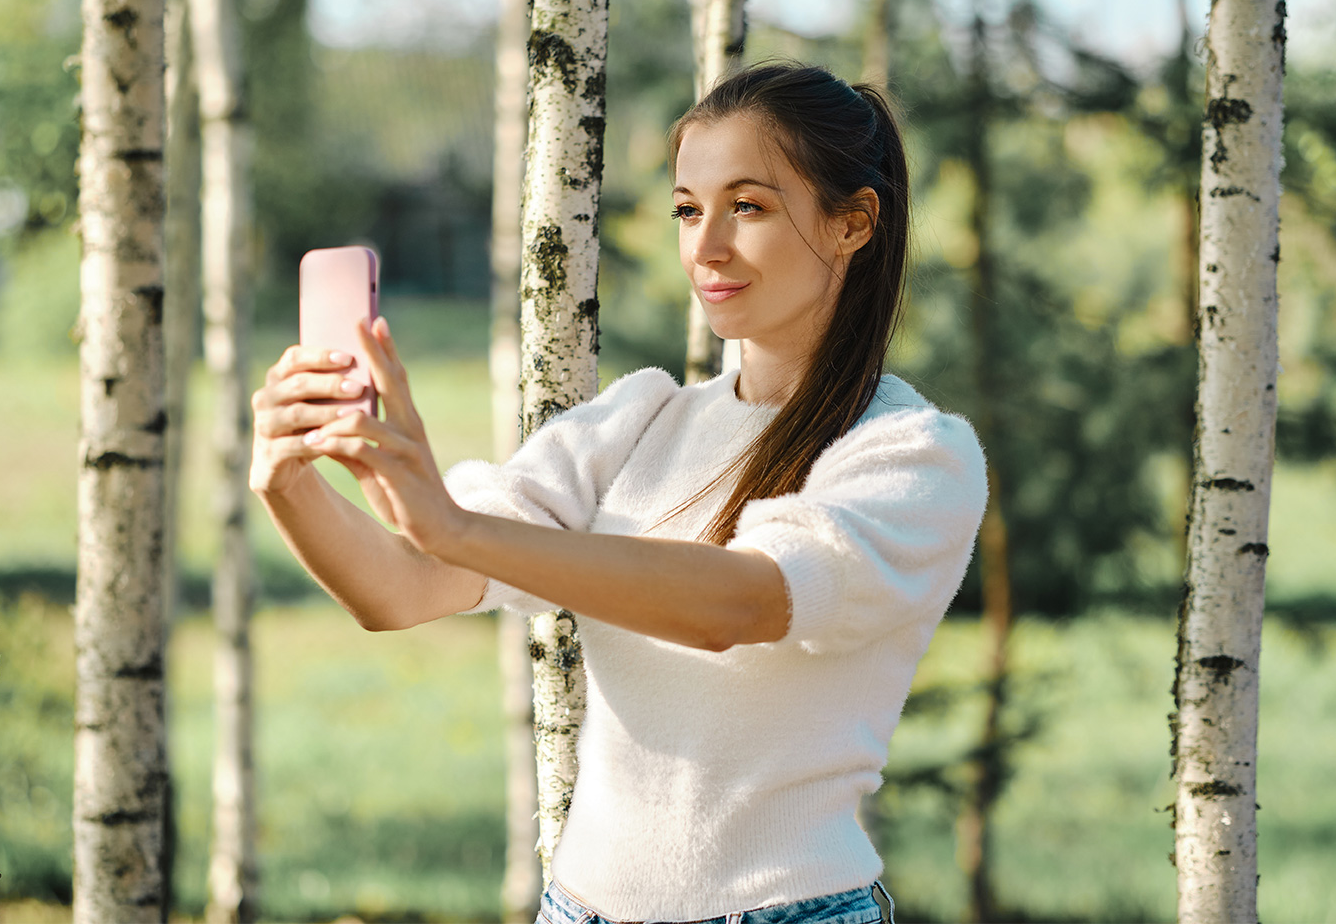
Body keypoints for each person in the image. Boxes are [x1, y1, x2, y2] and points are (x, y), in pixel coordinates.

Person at [250, 62, 988, 924]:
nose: (705, 246)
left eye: (746, 207)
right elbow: (402, 589)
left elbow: (739, 604)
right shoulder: (642, 419)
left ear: (854, 222)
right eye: (687, 208)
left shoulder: (914, 454)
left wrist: (451, 525)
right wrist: (289, 484)